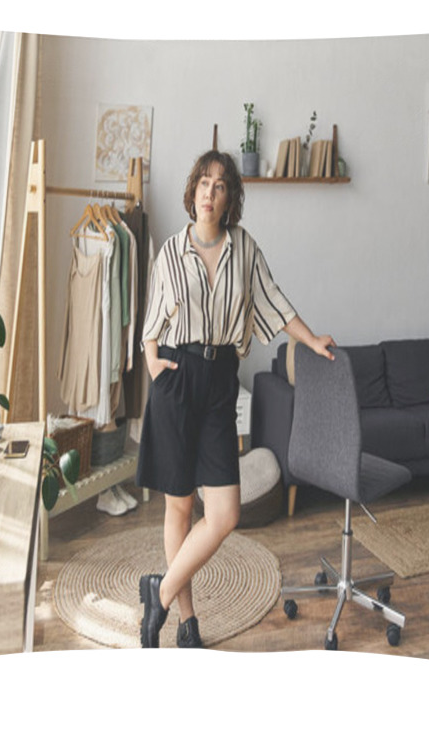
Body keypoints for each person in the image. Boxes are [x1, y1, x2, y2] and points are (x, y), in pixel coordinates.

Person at [136, 149, 335, 648]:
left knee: (223, 514)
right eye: (203, 182)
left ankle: (158, 592)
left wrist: (310, 340)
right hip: (177, 378)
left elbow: (273, 300)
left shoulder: (243, 249)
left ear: (230, 199)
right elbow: (151, 319)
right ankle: (186, 622)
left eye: (220, 185)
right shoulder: (170, 251)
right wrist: (152, 361)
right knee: (179, 508)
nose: (209, 192)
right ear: (193, 191)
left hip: (221, 379)